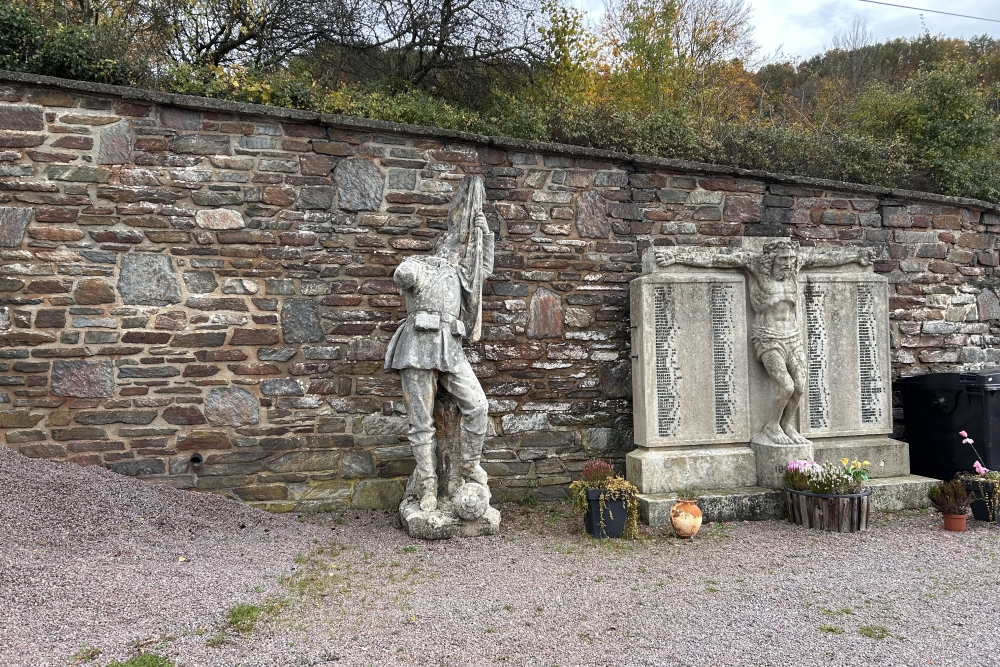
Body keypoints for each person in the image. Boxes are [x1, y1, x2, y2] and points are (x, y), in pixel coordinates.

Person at [655, 240, 873, 446]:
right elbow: (717, 258)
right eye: (782, 259)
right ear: (771, 259)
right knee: (786, 385)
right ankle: (772, 426)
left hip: (793, 337)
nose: (787, 263)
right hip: (767, 337)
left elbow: (826, 258)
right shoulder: (756, 266)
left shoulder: (795, 269)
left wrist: (857, 256)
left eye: (790, 258)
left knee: (800, 386)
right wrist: (675, 257)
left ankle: (787, 425)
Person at [384, 176, 494, 512]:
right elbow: (402, 275)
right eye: (454, 242)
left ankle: (470, 466)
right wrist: (409, 271)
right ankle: (428, 487)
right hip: (416, 346)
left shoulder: (461, 273)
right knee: (421, 424)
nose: (458, 246)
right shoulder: (421, 264)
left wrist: (484, 234)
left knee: (478, 406)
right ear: (440, 244)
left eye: (461, 245)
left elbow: (482, 271)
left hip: (450, 348)